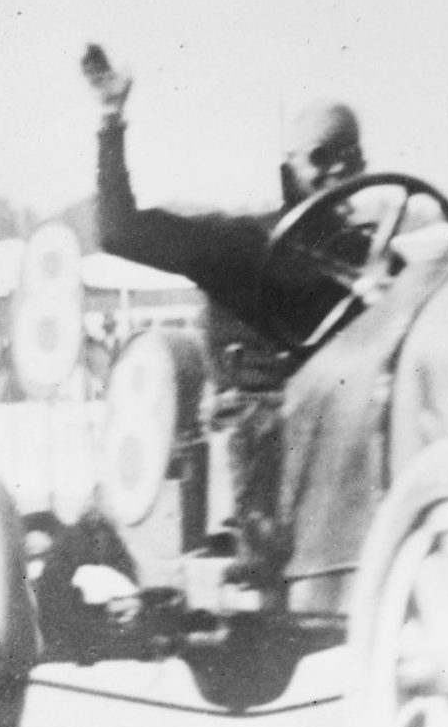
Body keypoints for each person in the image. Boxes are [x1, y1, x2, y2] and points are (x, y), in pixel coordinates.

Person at [81, 43, 372, 582]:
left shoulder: (372, 255)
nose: (341, 169)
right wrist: (110, 118)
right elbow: (120, 232)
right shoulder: (242, 244)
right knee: (264, 423)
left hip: (344, 418)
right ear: (293, 170)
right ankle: (258, 542)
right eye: (324, 155)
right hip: (264, 416)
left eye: (351, 154)